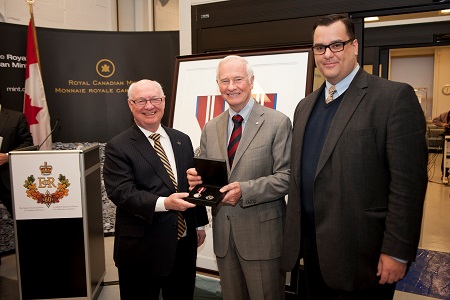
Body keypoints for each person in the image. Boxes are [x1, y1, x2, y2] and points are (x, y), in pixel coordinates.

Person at [280, 14, 428, 300]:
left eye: (337, 45)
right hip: (312, 251)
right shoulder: (305, 106)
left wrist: (396, 251)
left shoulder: (392, 98)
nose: (327, 54)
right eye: (320, 48)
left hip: (363, 256)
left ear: (355, 46)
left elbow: (407, 187)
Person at [187, 55, 292, 299]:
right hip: (224, 236)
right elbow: (208, 174)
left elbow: (287, 177)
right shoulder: (210, 127)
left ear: (251, 81)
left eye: (238, 79)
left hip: (263, 238)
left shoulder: (278, 123)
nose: (231, 86)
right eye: (225, 81)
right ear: (218, 84)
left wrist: (245, 190)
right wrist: (195, 178)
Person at [103, 79, 208, 300]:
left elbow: (192, 185)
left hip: (183, 244)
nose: (149, 106)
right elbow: (121, 193)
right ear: (131, 104)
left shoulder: (182, 139)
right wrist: (165, 203)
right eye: (141, 100)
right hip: (141, 249)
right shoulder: (118, 146)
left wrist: (199, 223)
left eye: (155, 99)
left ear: (164, 101)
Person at [0, 101, 34, 216]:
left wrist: (8, 157)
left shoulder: (16, 117)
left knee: (19, 217)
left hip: (7, 178)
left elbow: (28, 144)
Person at [432, 110, 450, 179]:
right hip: (447, 136)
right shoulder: (445, 114)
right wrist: (443, 124)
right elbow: (434, 120)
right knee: (446, 155)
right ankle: (445, 173)